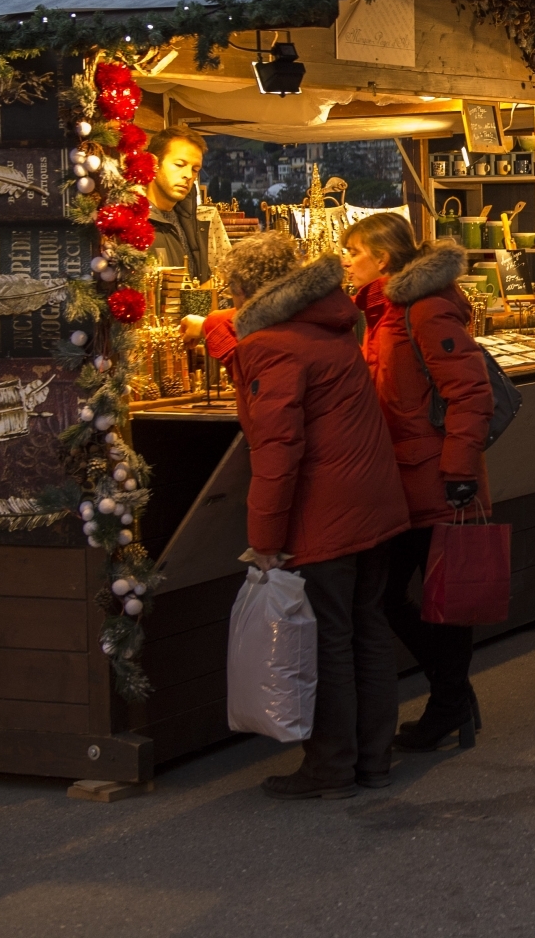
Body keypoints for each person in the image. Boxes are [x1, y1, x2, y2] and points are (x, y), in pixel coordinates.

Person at [196, 232, 410, 800]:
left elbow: (277, 449)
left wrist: (264, 537)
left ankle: (331, 767)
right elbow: (236, 339)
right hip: (373, 499)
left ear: (246, 290)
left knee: (330, 639)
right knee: (367, 628)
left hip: (326, 509)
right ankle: (373, 758)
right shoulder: (329, 322)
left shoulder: (271, 345)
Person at [341, 214, 494, 753]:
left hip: (435, 478)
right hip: (401, 478)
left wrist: (457, 471)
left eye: (353, 251)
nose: (346, 260)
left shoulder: (423, 311)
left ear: (381, 259)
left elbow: (471, 393)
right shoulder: (384, 314)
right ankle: (453, 696)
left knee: (439, 601)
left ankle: (449, 702)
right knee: (391, 596)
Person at [145, 125, 213, 281]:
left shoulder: (188, 220)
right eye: (179, 165)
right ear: (153, 163)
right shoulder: (134, 222)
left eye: (195, 169)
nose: (188, 175)